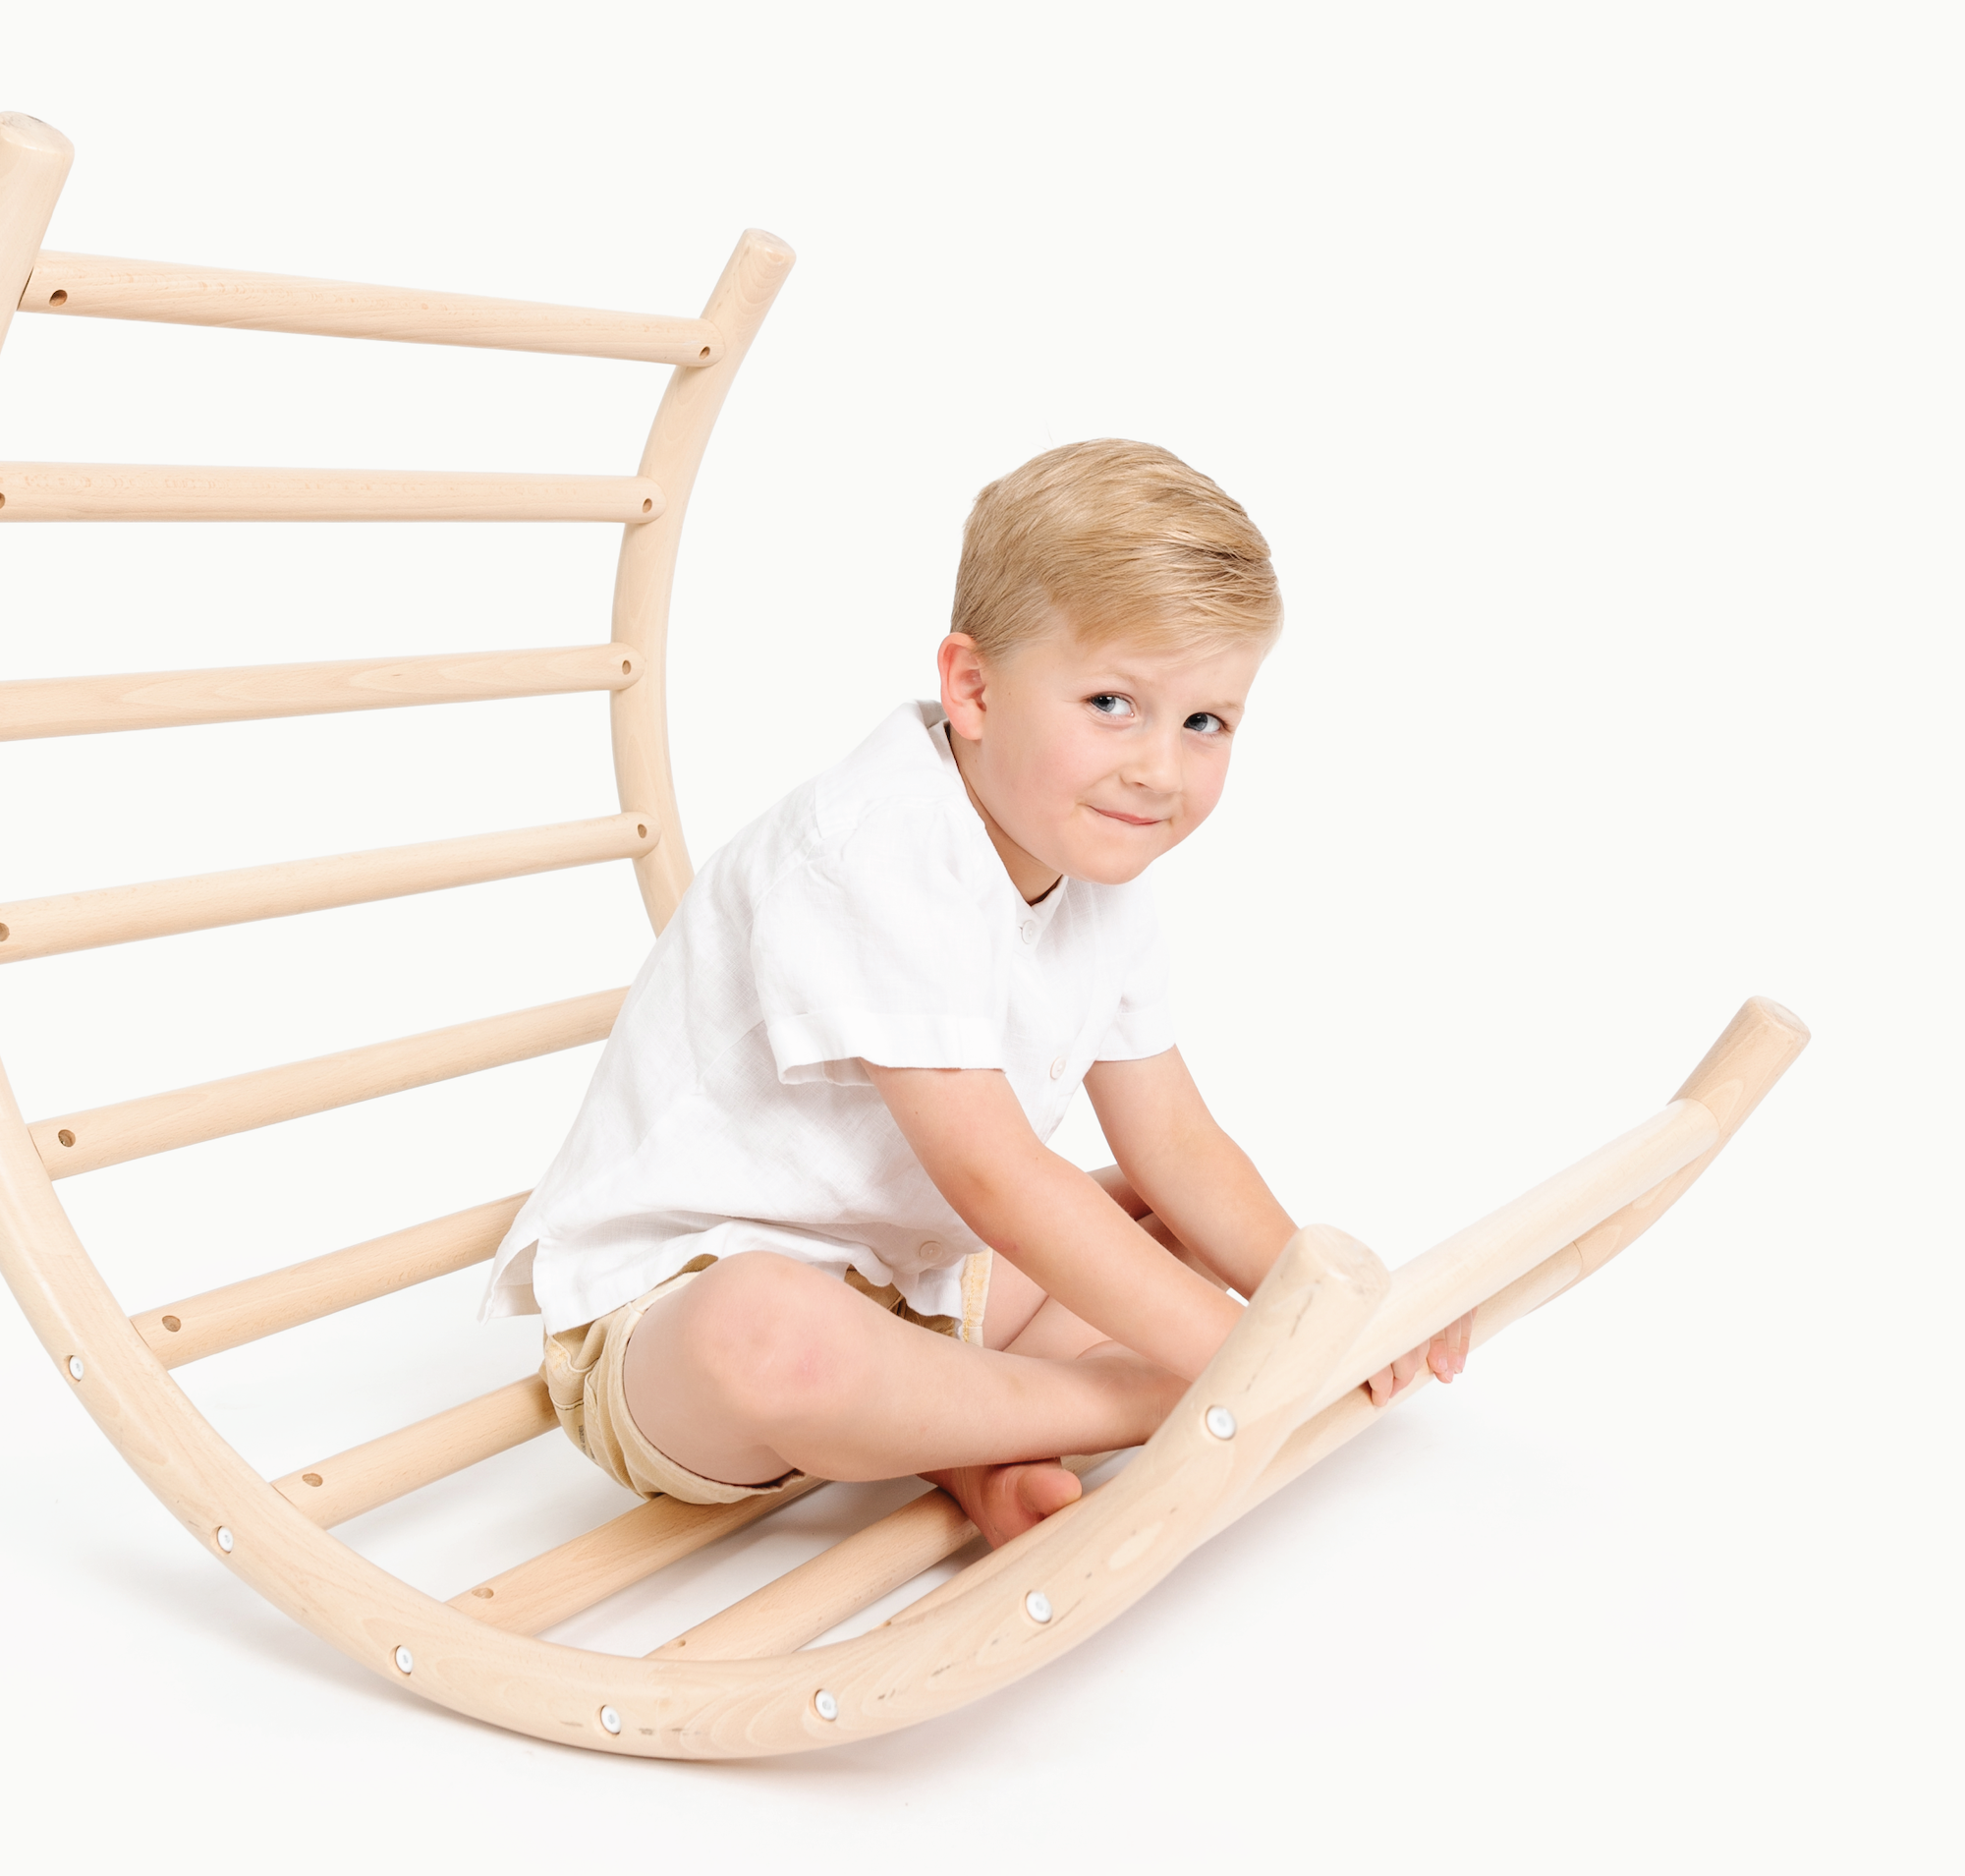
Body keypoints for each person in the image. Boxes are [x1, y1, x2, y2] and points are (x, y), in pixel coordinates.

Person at [481, 438, 1471, 1549]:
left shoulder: (1094, 864)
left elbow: (1179, 1147)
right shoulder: (879, 846)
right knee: (766, 1330)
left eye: (1206, 722)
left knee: (1156, 1217)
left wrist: (1334, 1314)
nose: (1159, 769)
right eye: (1111, 702)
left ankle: (965, 1440)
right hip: (673, 1329)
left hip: (916, 1289)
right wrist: (1251, 1362)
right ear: (973, 689)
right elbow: (994, 1177)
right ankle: (1110, 1402)